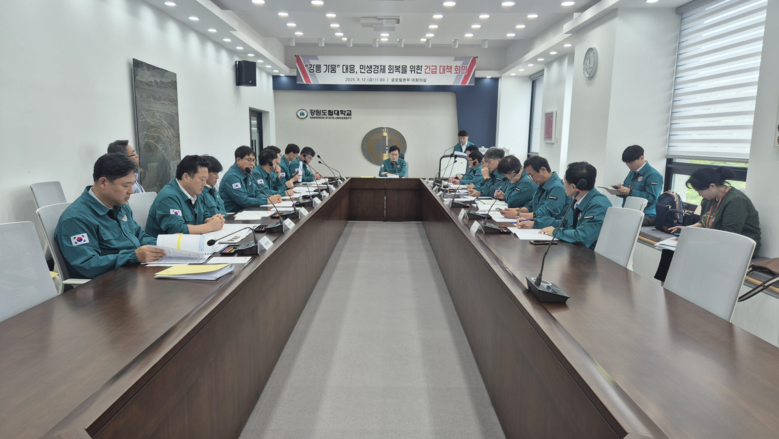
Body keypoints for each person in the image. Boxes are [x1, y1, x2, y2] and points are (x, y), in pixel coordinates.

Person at [54, 154, 164, 279]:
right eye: (126, 185)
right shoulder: (76, 219)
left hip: (131, 273)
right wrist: (133, 256)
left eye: (133, 184)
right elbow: (87, 265)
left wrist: (169, 244)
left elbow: (140, 236)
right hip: (105, 284)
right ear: (103, 183)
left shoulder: (121, 206)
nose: (132, 191)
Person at [654, 167, 761, 282]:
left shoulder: (736, 200)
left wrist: (694, 238)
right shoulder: (709, 199)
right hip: (717, 240)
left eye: (700, 191)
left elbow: (729, 235)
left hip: (738, 247)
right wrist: (687, 229)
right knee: (669, 250)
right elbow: (705, 221)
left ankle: (682, 287)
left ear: (712, 186)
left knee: (687, 249)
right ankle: (668, 287)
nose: (699, 195)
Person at [145, 155, 225, 237]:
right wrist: (209, 227)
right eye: (202, 180)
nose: (204, 184)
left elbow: (204, 215)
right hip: (167, 244)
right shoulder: (168, 197)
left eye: (206, 180)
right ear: (186, 177)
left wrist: (212, 220)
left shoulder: (195, 192)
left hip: (190, 241)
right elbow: (177, 229)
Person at [537, 162, 611, 249]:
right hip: (576, 250)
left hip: (591, 254)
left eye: (564, 181)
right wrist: (536, 223)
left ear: (573, 187)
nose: (563, 184)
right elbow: (564, 223)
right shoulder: (577, 200)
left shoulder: (598, 205)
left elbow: (583, 236)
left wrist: (555, 232)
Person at [501, 156, 568, 229]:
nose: (532, 179)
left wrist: (517, 215)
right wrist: (516, 210)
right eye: (529, 176)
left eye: (531, 175)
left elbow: (545, 213)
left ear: (543, 170)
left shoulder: (557, 187)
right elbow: (531, 206)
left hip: (552, 228)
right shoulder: (542, 184)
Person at [219, 146, 282, 212]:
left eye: (253, 160)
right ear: (238, 160)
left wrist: (270, 198)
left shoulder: (247, 173)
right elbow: (243, 201)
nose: (252, 163)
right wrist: (267, 200)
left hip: (248, 211)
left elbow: (257, 193)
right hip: (234, 214)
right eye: (249, 160)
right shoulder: (231, 177)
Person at [616, 145, 663, 226]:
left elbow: (652, 198)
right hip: (630, 211)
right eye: (626, 163)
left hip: (646, 214)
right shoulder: (633, 171)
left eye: (631, 163)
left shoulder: (653, 175)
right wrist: (620, 190)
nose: (629, 166)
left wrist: (630, 192)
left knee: (621, 222)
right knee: (609, 215)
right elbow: (629, 189)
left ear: (641, 158)